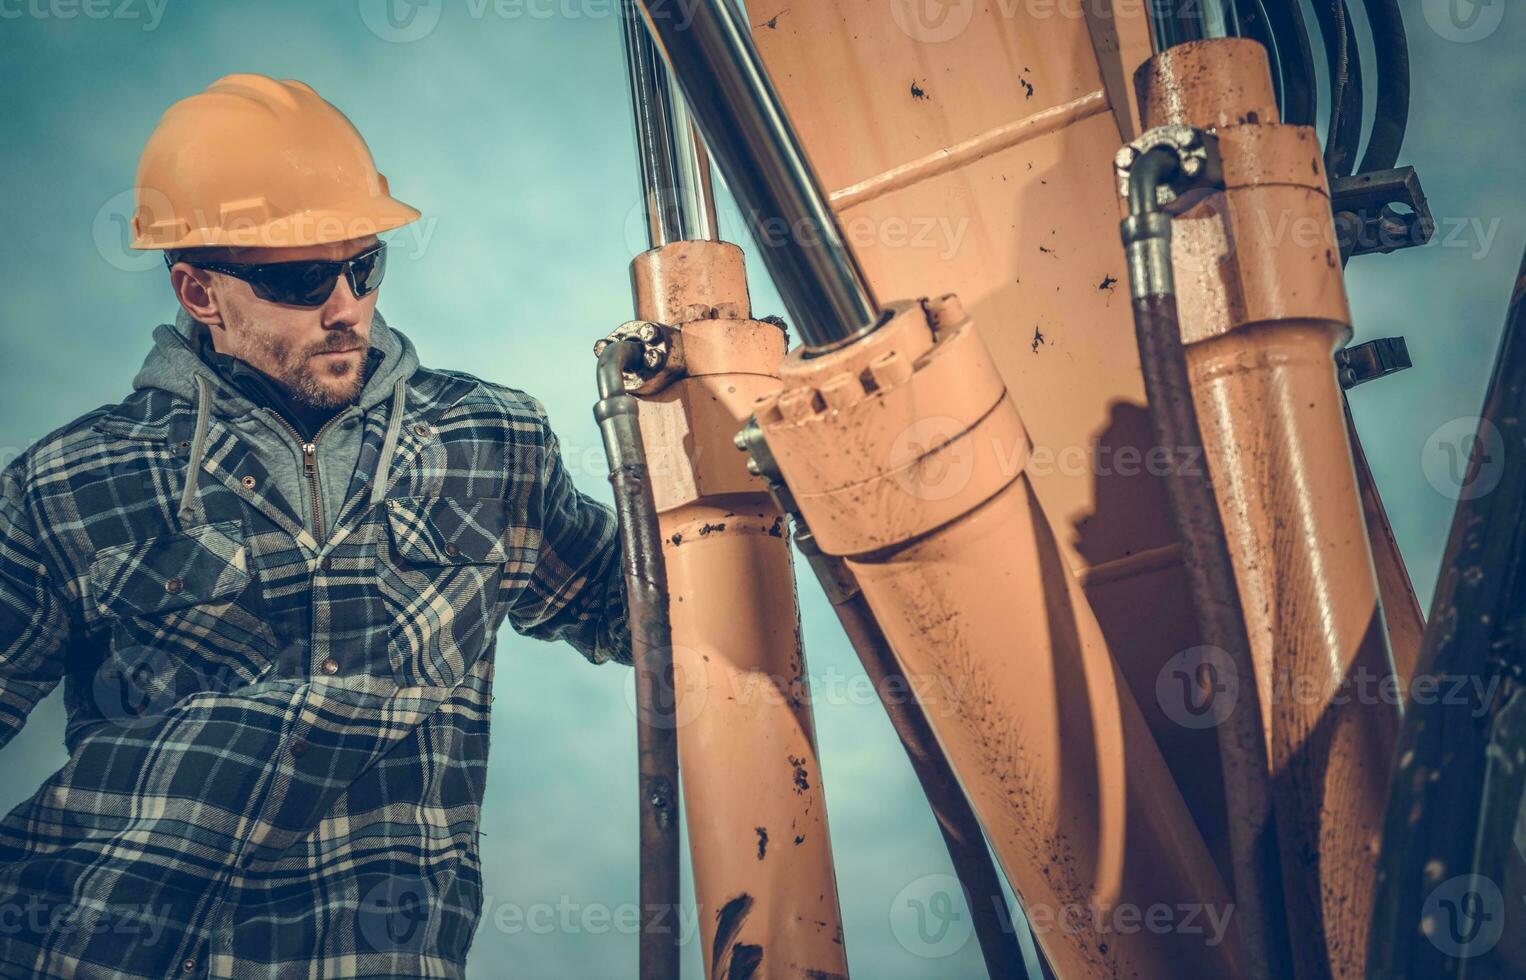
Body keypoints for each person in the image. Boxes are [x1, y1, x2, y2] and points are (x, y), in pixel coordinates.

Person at [0, 74, 630, 978]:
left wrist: (721, 454)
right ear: (200, 290)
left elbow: (662, 615)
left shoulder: (490, 444)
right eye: (301, 279)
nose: (346, 307)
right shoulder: (69, 481)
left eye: (362, 266)